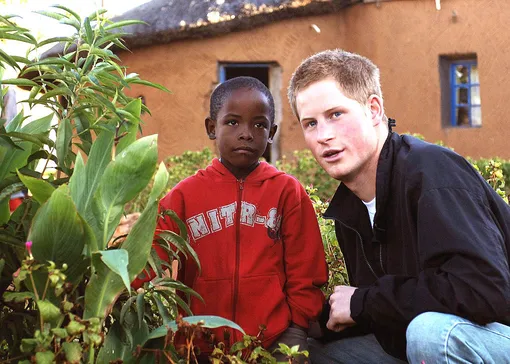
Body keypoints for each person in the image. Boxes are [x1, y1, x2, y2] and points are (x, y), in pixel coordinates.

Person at [287, 49, 510, 363]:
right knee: (314, 350)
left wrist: (364, 301)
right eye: (310, 123)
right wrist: (312, 320)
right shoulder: (350, 208)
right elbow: (390, 308)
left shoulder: (431, 172)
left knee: (430, 333)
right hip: (431, 341)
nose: (324, 135)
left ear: (374, 109)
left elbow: (485, 293)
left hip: (496, 334)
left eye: (336, 114)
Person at [135, 76, 328, 360]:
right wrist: (115, 285)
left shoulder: (287, 192)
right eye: (233, 122)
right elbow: (150, 254)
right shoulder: (185, 196)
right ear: (212, 128)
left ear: (271, 132)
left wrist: (297, 325)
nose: (246, 133)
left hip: (275, 338)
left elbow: (305, 269)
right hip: (198, 340)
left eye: (259, 125)